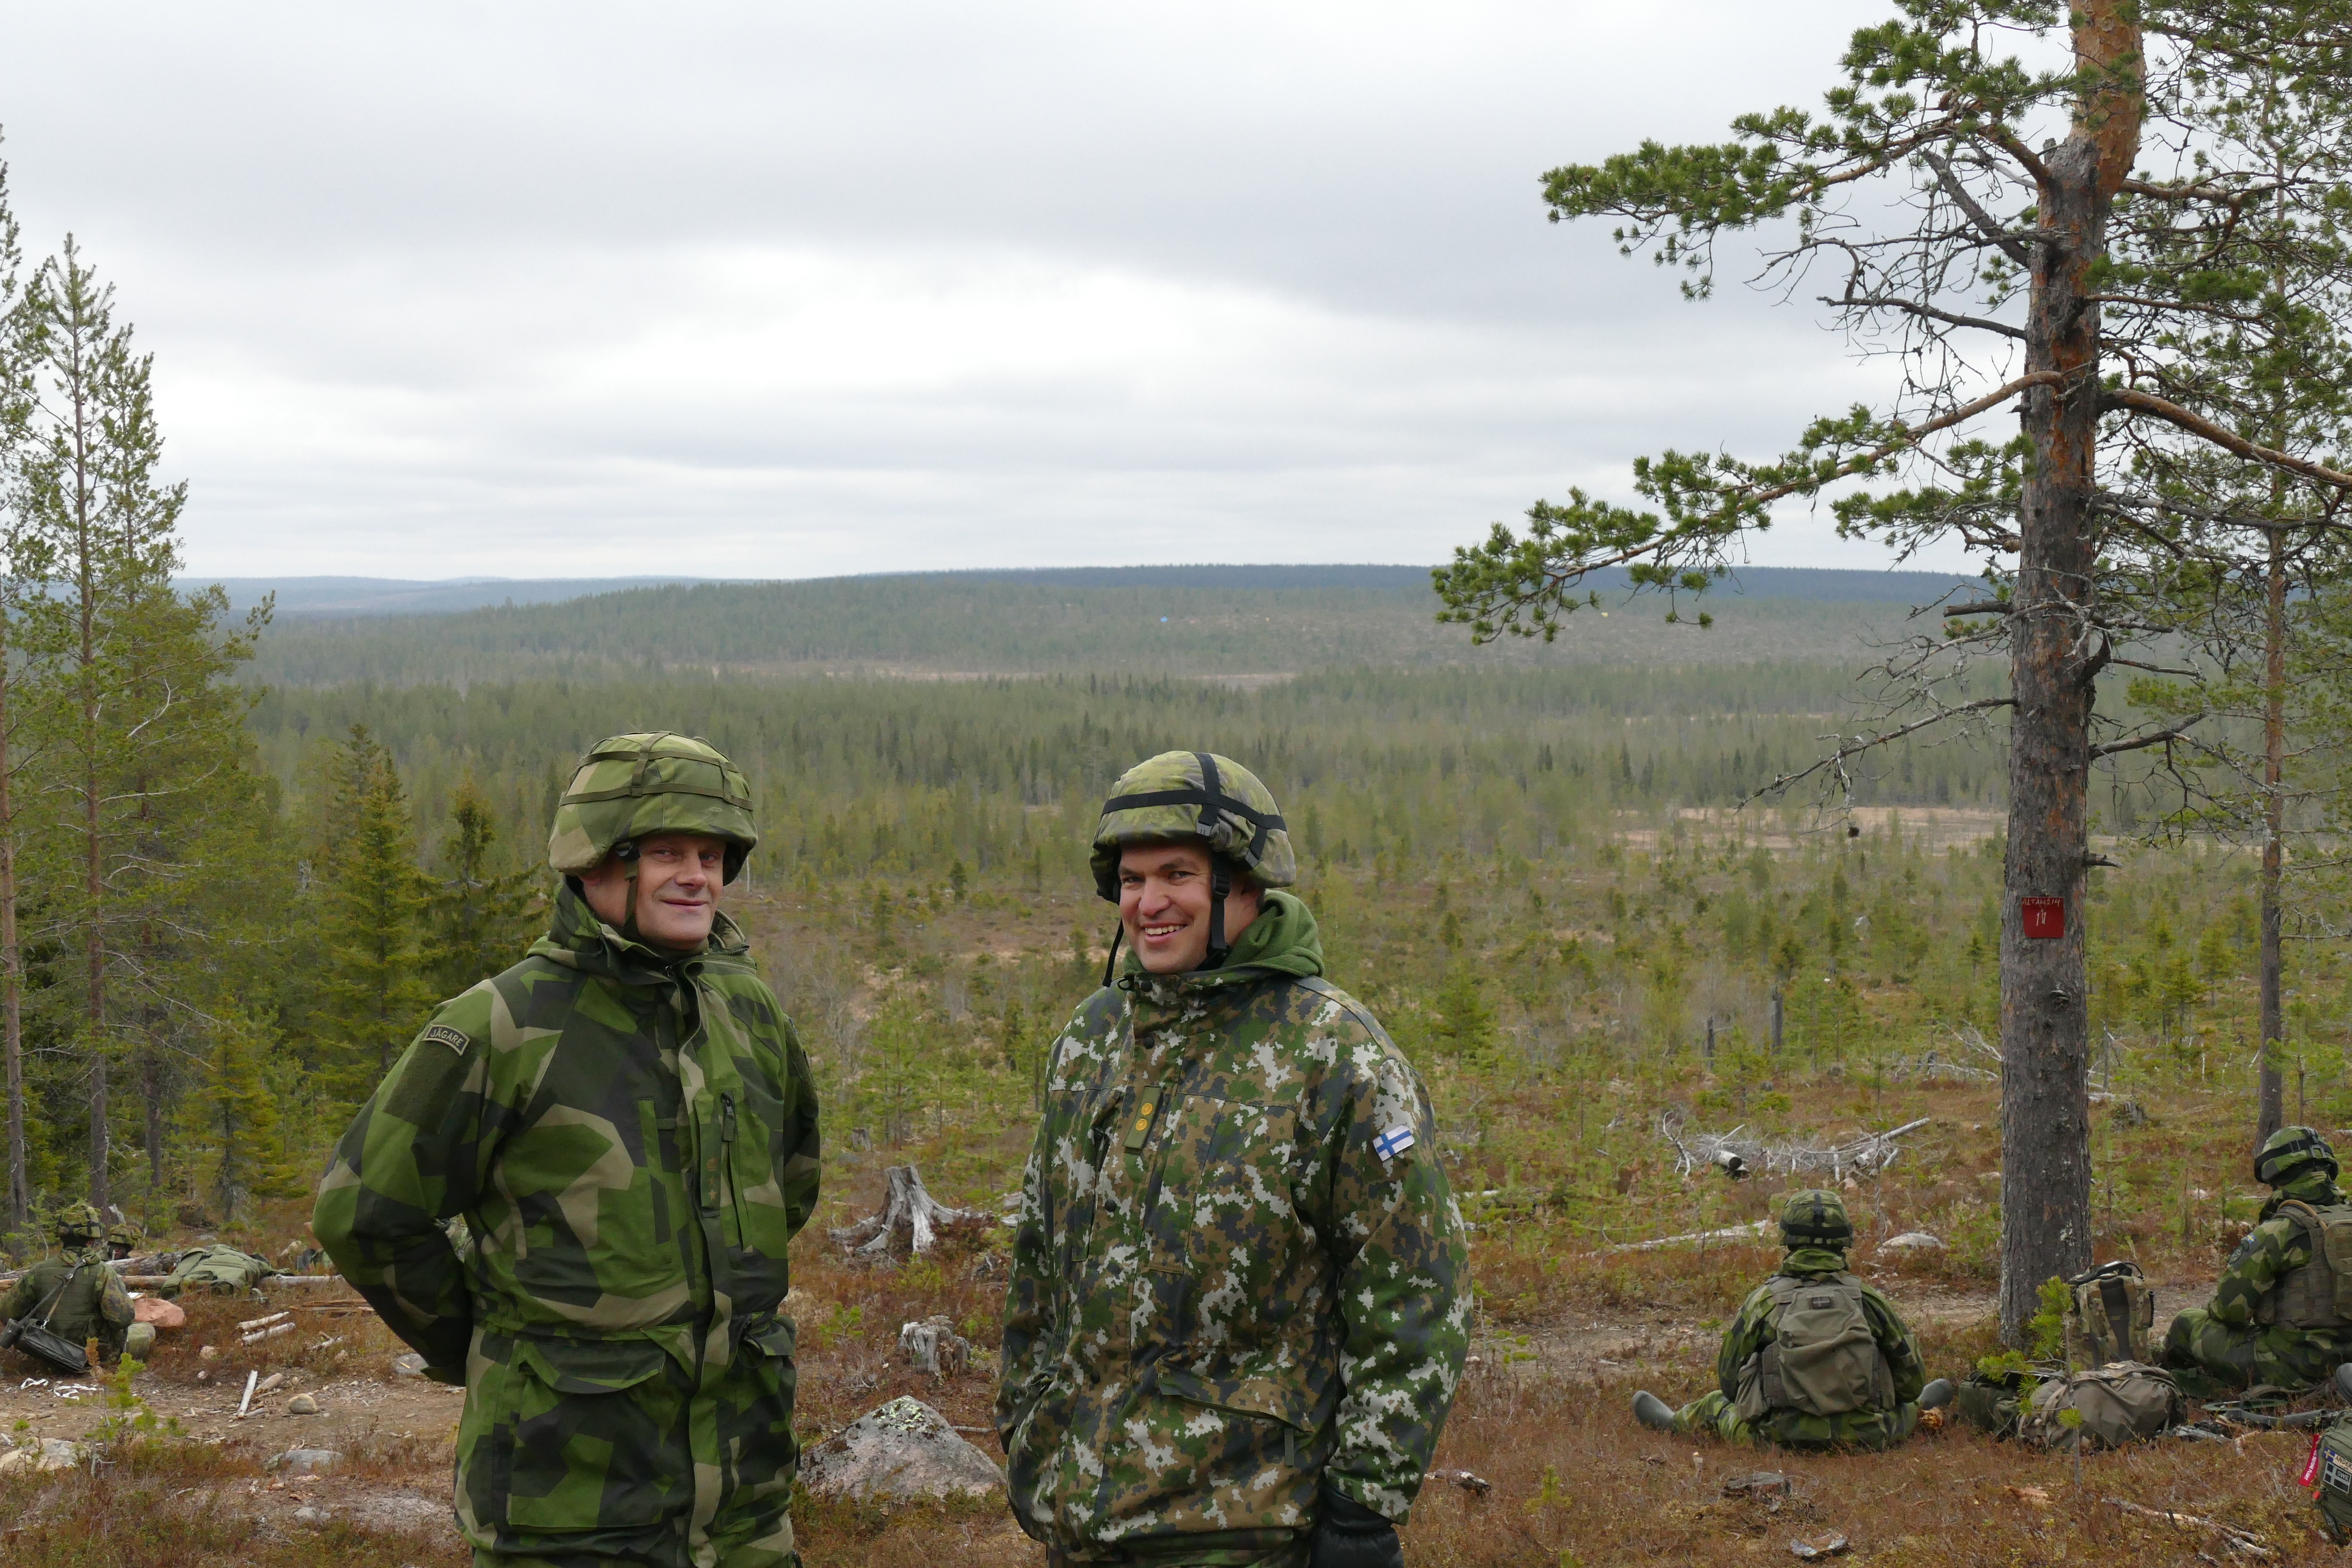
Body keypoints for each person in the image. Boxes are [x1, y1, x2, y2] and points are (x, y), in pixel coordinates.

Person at [314, 732, 820, 1568]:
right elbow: (363, 1211)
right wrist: (484, 1342)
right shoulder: (502, 1025)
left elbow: (790, 1182)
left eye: (712, 853)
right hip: (566, 1519)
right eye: (665, 852)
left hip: (744, 1512)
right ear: (593, 861)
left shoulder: (749, 1012)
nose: (698, 876)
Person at [998, 750, 1468, 1568]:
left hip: (1244, 1529)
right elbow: (1041, 1257)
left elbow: (1415, 1290)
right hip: (1077, 1520)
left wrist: (1363, 1505)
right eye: (1132, 879)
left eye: (1177, 874)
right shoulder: (1092, 1037)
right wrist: (1027, 1420)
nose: (1148, 903)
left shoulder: (1336, 1054)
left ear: (1245, 886)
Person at [1632, 1189, 1953, 1449]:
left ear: (1787, 1239)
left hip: (1777, 1435)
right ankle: (1924, 1410)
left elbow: (1729, 1384)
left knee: (1715, 1405)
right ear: (1846, 1240)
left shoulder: (1764, 1301)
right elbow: (1910, 1383)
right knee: (1911, 1406)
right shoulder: (1869, 1300)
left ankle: (1674, 1423)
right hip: (1867, 1433)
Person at [2165, 1126, 2352, 1392]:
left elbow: (2230, 1312)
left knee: (2187, 1321)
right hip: (2349, 1368)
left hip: (2295, 1367)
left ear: (2276, 1174)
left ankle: (2185, 1394)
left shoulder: (2278, 1231)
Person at [0, 1204, 133, 1368]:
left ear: (62, 1237)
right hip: (89, 1357)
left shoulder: (39, 1271)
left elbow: (7, 1313)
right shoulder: (103, 1272)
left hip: (44, 1349)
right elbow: (122, 1319)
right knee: (147, 1330)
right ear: (92, 1240)